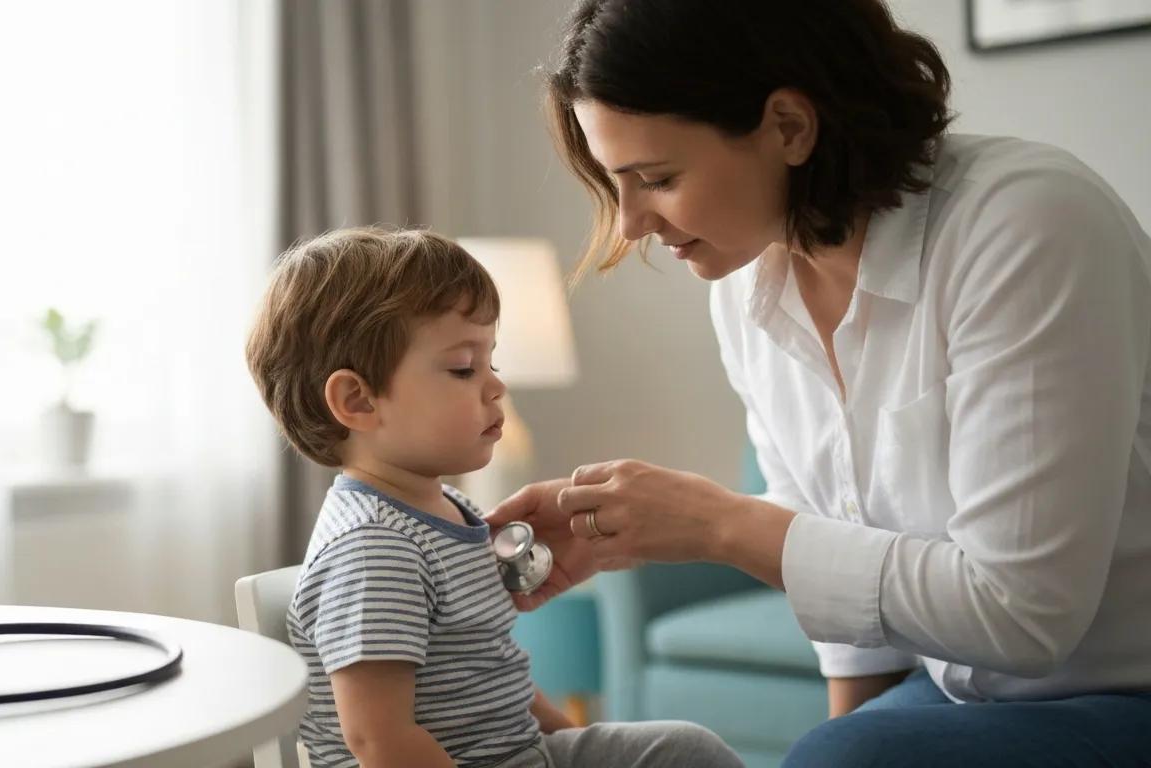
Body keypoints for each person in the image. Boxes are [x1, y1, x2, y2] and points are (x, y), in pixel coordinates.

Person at [485, 1, 1151, 766]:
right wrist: (833, 744)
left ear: (790, 127)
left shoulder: (1029, 227)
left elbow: (1025, 616)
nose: (631, 222)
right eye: (616, 183)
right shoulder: (746, 290)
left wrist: (719, 524)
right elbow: (837, 557)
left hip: (1122, 687)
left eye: (658, 179)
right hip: (964, 694)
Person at [244, 226, 743, 768]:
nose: (494, 386)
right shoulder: (373, 550)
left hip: (519, 753)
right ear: (357, 400)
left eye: (491, 364)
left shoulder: (451, 512)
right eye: (463, 368)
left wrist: (572, 741)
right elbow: (379, 740)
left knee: (684, 751)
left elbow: (495, 670)